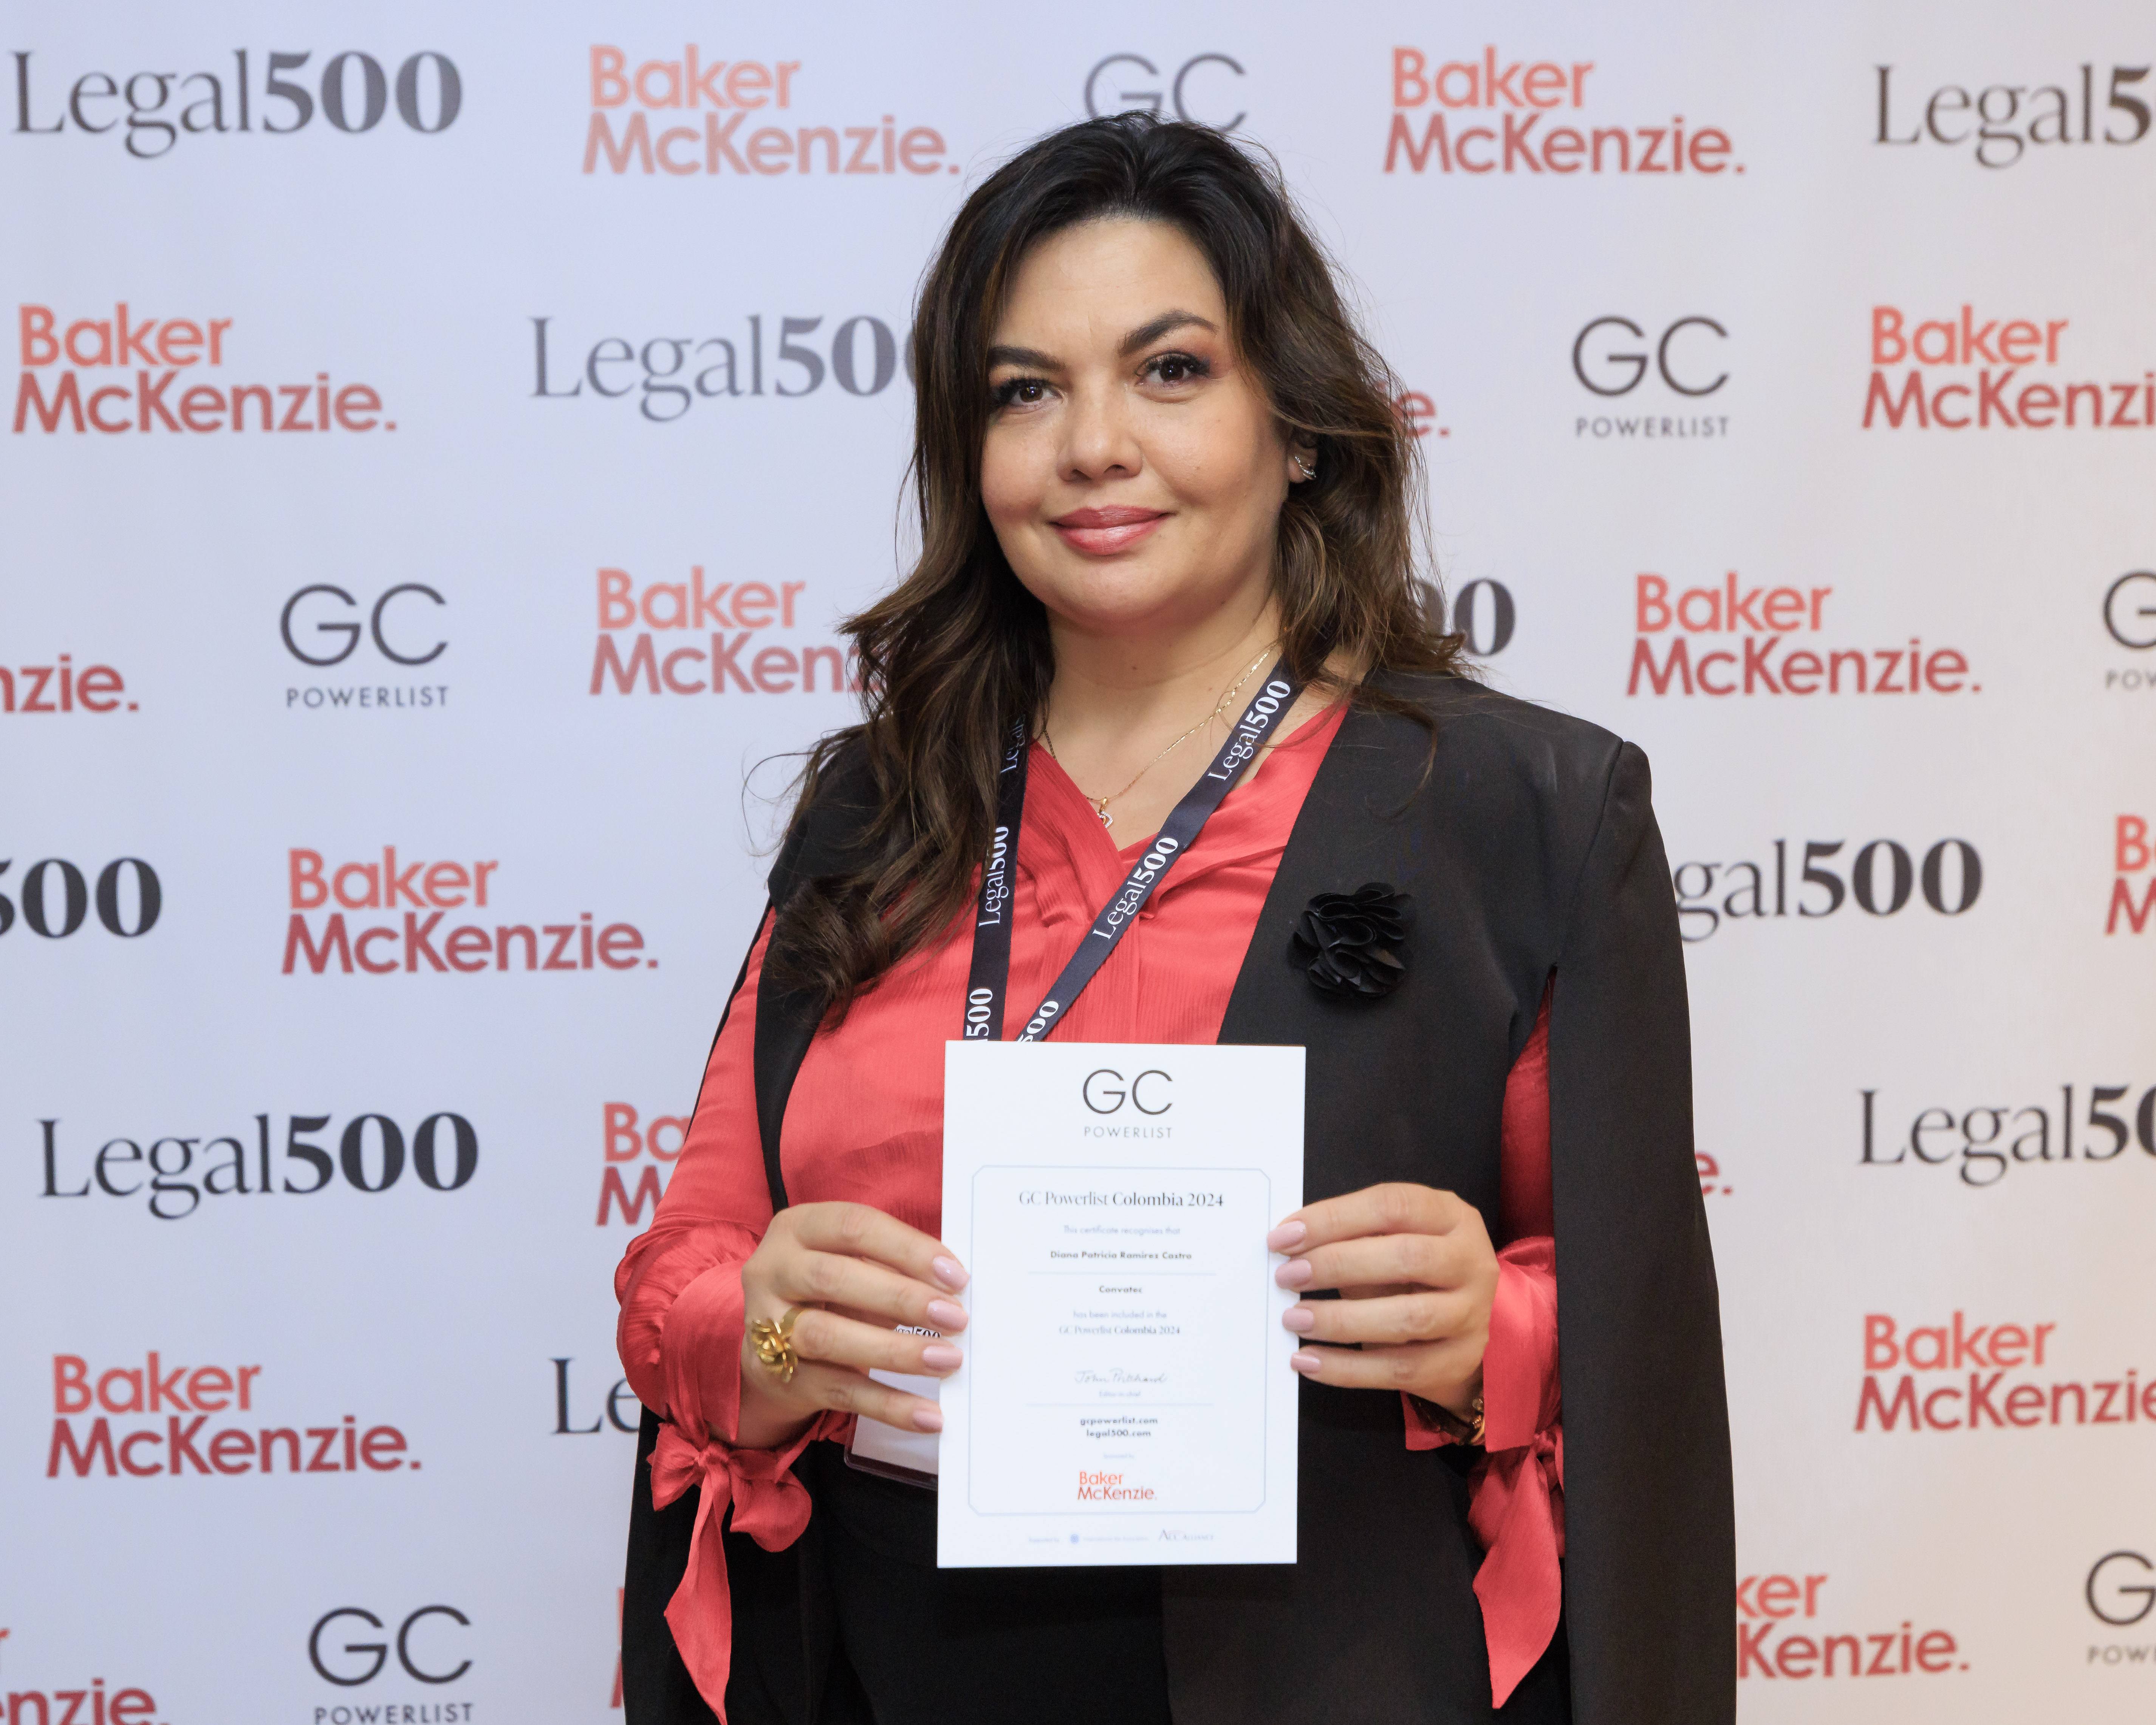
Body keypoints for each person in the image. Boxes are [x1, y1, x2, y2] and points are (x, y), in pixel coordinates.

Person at [616, 114, 1732, 1725]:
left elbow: (1631, 1324)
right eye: (1024, 390)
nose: (1091, 445)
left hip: (1329, 1664)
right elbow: (687, 1269)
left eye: (1169, 370)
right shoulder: (878, 803)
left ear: (1299, 428)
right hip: (886, 1660)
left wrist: (1491, 1329)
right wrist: (769, 1336)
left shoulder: (1522, 810)